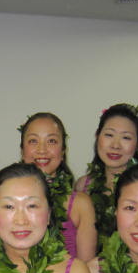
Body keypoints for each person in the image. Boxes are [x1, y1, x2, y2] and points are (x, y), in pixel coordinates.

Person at [19, 112, 97, 261]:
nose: (42, 149)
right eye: (33, 141)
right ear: (22, 151)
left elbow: (88, 268)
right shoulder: (4, 200)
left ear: (63, 151)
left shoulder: (81, 204)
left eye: (52, 141)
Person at [75, 103, 138, 239]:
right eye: (109, 135)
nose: (115, 145)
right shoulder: (83, 186)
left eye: (126, 137)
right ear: (97, 136)